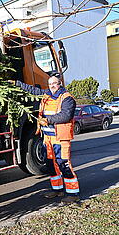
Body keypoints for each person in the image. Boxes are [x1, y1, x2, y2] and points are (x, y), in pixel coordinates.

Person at [14, 76, 80, 204]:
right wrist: (17, 83)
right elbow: (32, 90)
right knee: (50, 164)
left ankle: (73, 194)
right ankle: (57, 189)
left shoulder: (67, 98)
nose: (52, 86)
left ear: (60, 84)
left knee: (64, 164)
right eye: (50, 84)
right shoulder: (46, 94)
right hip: (48, 138)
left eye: (54, 83)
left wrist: (48, 120)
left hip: (60, 138)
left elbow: (66, 115)